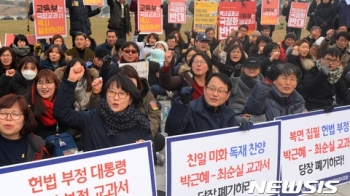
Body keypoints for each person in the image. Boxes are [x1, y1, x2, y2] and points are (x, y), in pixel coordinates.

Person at [53, 67, 153, 152]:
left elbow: (151, 159)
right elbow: (61, 113)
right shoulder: (91, 119)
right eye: (112, 92)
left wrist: (145, 150)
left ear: (130, 99)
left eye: (122, 94)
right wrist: (70, 82)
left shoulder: (141, 122)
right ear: (105, 94)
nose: (116, 97)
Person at [88, 65, 165, 165]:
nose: (127, 84)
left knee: (159, 140)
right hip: (115, 132)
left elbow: (155, 114)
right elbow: (94, 109)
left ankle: (152, 154)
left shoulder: (147, 93)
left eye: (130, 80)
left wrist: (147, 134)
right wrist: (95, 94)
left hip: (141, 130)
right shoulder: (113, 95)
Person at [165, 73, 252, 136]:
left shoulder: (229, 114)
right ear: (204, 89)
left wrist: (243, 130)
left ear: (228, 95)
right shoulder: (190, 108)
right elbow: (172, 131)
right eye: (211, 88)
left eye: (220, 91)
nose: (215, 94)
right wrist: (181, 104)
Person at [0, 94, 49, 166]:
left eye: (16, 114)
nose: (9, 118)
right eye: (3, 113)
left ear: (25, 119)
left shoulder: (37, 145)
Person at [24, 69, 62, 139]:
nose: (44, 87)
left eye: (48, 82)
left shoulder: (63, 98)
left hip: (62, 138)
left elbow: (72, 124)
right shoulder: (27, 101)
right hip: (37, 141)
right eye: (40, 83)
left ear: (55, 85)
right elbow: (29, 129)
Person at [229, 57, 264, 122]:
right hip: (238, 112)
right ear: (243, 69)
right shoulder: (236, 80)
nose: (252, 70)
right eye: (249, 67)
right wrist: (236, 75)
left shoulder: (263, 82)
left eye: (255, 68)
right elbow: (231, 91)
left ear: (260, 70)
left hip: (257, 114)